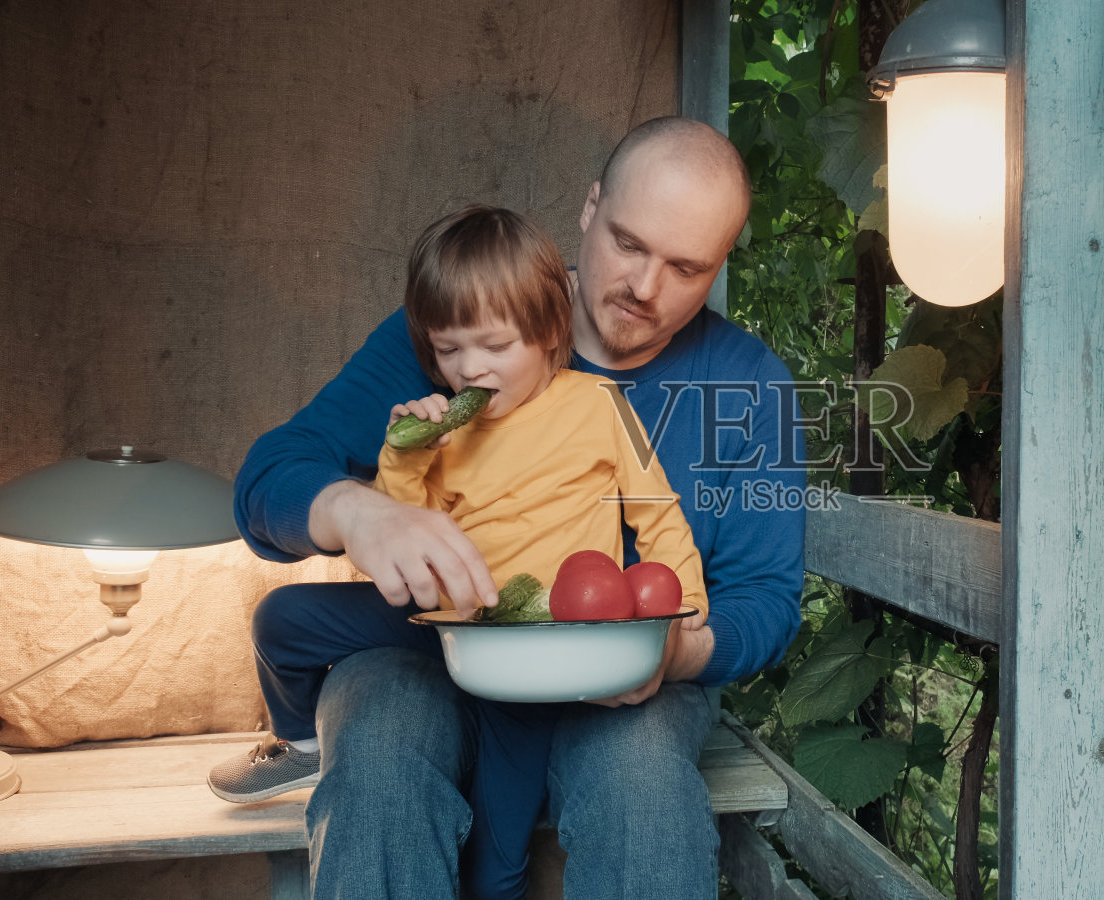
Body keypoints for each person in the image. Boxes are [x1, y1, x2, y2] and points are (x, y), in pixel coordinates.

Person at [231, 116, 806, 899]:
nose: (645, 288)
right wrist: (358, 513)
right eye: (629, 244)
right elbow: (269, 478)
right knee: (378, 768)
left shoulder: (749, 385)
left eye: (686, 267)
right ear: (590, 207)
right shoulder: (462, 327)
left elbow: (766, 599)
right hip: (428, 652)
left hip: (627, 686)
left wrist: (666, 655)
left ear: (721, 265)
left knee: (644, 793)